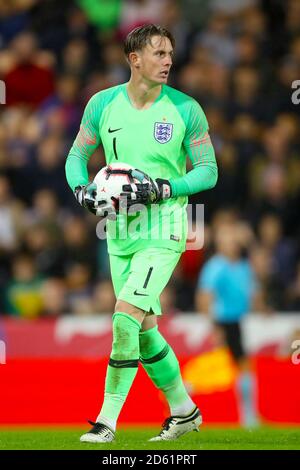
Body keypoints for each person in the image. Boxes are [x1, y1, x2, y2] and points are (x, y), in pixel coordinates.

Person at [65, 24, 218, 443]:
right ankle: (184, 410)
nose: (168, 60)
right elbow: (77, 155)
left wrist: (168, 187)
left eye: (170, 52)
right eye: (158, 53)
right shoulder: (102, 105)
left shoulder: (187, 109)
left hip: (166, 227)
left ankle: (106, 421)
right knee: (144, 329)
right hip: (119, 231)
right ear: (135, 59)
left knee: (123, 319)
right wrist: (82, 191)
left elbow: (208, 171)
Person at [195, 223, 260, 426]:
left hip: (239, 321)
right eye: (227, 240)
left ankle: (248, 415)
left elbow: (254, 293)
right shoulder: (216, 266)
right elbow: (204, 297)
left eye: (233, 240)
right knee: (227, 366)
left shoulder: (243, 266)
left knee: (240, 366)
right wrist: (214, 326)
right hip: (224, 322)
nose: (231, 244)